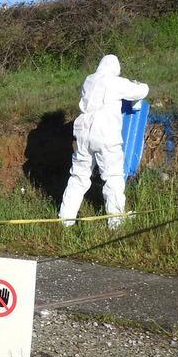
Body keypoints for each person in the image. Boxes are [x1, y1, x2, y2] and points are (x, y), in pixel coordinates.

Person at [58, 54, 149, 229]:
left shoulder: (89, 80)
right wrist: (139, 84)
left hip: (83, 132)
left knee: (78, 176)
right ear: (115, 68)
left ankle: (64, 219)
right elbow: (141, 91)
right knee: (113, 176)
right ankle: (116, 221)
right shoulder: (115, 82)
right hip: (105, 133)